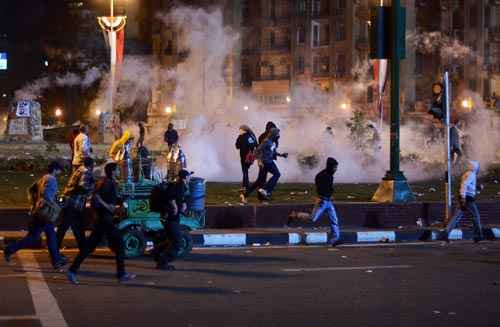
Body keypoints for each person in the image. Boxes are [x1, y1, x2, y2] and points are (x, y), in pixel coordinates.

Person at [67, 162, 136, 284]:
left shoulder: (106, 182)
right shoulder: (108, 183)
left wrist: (123, 199)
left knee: (89, 247)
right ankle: (121, 274)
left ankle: (72, 270)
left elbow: (106, 199)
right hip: (106, 220)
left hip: (102, 220)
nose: (119, 172)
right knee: (119, 245)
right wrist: (108, 207)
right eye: (118, 170)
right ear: (113, 171)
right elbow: (97, 199)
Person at [4, 162, 68, 269]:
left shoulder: (43, 178)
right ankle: (56, 261)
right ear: (55, 169)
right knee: (48, 237)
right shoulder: (52, 179)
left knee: (37, 237)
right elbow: (47, 195)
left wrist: (35, 203)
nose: (60, 172)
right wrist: (55, 205)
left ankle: (56, 260)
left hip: (38, 212)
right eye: (59, 170)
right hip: (45, 214)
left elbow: (31, 190)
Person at [154, 169, 191, 270]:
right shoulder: (180, 185)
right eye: (188, 176)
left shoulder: (179, 185)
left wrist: (182, 204)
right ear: (185, 177)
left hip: (170, 218)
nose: (189, 178)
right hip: (171, 218)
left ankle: (156, 252)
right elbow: (171, 196)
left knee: (171, 240)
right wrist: (175, 206)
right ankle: (163, 262)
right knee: (177, 242)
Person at [56, 157, 95, 252]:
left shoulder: (78, 170)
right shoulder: (86, 171)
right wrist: (93, 187)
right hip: (75, 203)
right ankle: (55, 247)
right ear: (91, 165)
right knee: (66, 226)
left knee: (75, 226)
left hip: (70, 202)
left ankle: (83, 247)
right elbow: (83, 186)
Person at [442, 160, 484, 243]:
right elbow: (464, 185)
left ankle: (445, 233)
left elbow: (468, 187)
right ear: (475, 167)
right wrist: (463, 198)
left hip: (463, 197)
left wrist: (477, 189)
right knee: (476, 217)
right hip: (468, 199)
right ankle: (478, 236)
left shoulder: (466, 174)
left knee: (456, 217)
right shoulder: (472, 174)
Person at [253, 127, 284, 200]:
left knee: (261, 179)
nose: (278, 136)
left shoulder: (272, 142)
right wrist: (260, 161)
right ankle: (265, 190)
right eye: (277, 134)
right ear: (273, 134)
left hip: (269, 161)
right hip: (266, 161)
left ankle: (263, 194)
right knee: (277, 174)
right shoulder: (266, 141)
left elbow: (273, 152)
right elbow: (257, 151)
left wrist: (281, 155)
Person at [235, 125, 257, 191]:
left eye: (240, 130)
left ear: (244, 130)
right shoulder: (252, 136)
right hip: (251, 157)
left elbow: (237, 146)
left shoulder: (241, 137)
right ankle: (246, 185)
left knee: (245, 171)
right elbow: (256, 145)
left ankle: (245, 186)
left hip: (244, 156)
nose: (239, 131)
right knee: (246, 171)